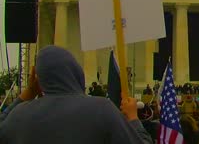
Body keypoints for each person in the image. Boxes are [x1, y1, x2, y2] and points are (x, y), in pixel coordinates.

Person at [0, 45, 152, 144]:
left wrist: (27, 94)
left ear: (37, 78)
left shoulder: (19, 116)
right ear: (75, 71)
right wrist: (133, 118)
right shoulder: (101, 109)